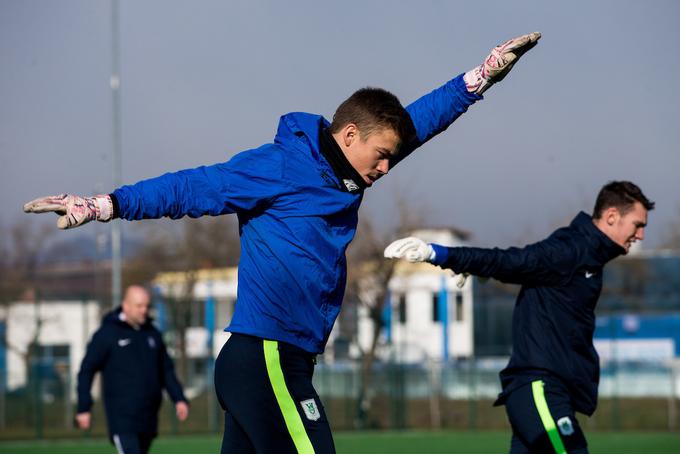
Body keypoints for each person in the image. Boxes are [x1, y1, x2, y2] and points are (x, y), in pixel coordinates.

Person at [25, 32, 540, 453]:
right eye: (380, 155)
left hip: (279, 360)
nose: (386, 169)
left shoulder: (351, 174)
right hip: (266, 356)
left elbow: (420, 122)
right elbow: (192, 187)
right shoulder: (279, 167)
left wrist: (481, 78)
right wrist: (104, 205)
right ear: (349, 135)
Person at [384, 181, 655, 454]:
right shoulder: (570, 250)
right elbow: (514, 261)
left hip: (545, 390)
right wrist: (439, 254)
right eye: (637, 224)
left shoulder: (590, 257)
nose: (641, 234)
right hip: (541, 388)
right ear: (611, 216)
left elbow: (525, 273)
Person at [75, 285, 189, 454]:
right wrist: (84, 407)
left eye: (147, 306)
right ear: (126, 305)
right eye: (139, 306)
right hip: (122, 418)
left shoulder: (153, 334)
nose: (144, 310)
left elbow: (166, 370)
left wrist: (179, 398)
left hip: (149, 416)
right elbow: (87, 369)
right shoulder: (107, 334)